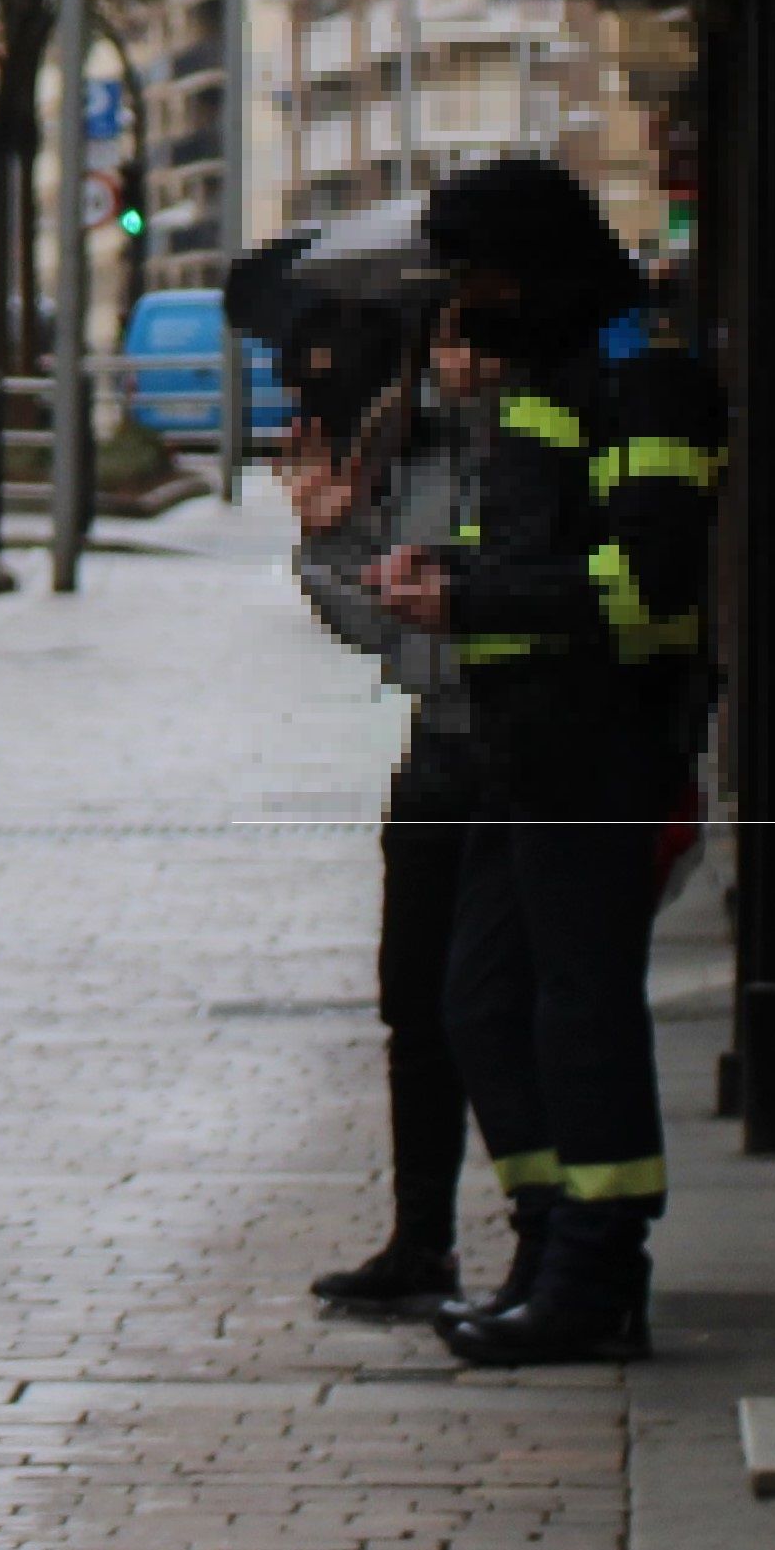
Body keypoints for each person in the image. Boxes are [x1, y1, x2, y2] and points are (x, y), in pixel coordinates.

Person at [367, 155, 721, 1367]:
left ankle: (597, 1271)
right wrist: (443, 573)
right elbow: (516, 537)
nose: (470, 303)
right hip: (520, 743)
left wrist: (470, 599)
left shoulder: (644, 378)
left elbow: (647, 592)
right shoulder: (547, 379)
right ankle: (544, 1236)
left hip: (599, 743)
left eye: (482, 275)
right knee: (479, 999)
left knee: (580, 1008)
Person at [290, 300, 519, 1312]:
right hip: (435, 749)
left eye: (476, 343)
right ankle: (420, 1239)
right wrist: (326, 547)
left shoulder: (535, 450)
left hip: (517, 753)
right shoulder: (409, 451)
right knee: (413, 1002)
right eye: (446, 343)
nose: (460, 364)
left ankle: (546, 1241)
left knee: (495, 1009)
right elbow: (385, 627)